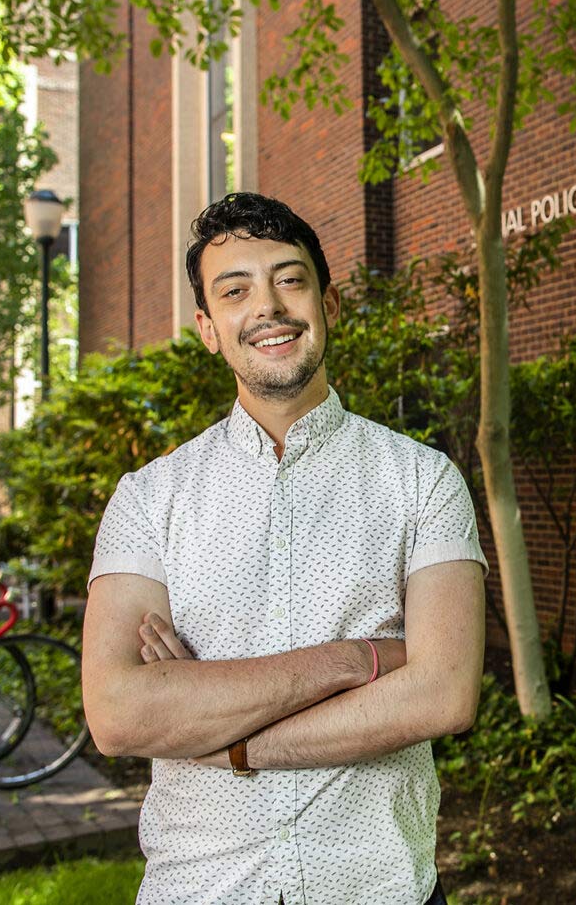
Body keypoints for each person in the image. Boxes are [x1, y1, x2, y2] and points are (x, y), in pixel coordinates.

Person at [82, 192, 486, 905]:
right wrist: (354, 662)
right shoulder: (147, 499)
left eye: (289, 280)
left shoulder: (423, 480)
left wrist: (222, 736)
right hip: (201, 889)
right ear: (208, 328)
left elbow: (443, 694)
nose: (267, 306)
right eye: (235, 291)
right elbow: (119, 713)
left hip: (380, 890)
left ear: (330, 304)